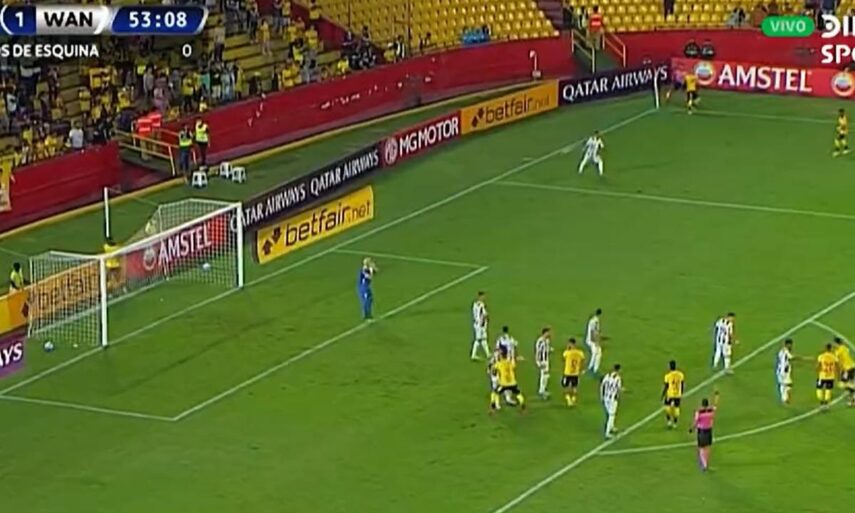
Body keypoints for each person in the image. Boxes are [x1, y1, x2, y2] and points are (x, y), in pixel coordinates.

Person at [689, 392, 719, 471]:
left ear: (702, 404)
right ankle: (706, 464)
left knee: (701, 448)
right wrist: (716, 396)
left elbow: (696, 421)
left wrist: (692, 428)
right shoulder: (710, 410)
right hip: (709, 429)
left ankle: (704, 464)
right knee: (707, 447)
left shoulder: (699, 412)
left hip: (701, 431)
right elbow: (715, 405)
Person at [490, 346, 526, 412]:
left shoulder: (499, 364)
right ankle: (523, 405)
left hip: (504, 384)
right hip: (513, 383)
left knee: (496, 392)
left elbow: (493, 369)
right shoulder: (510, 363)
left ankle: (493, 405)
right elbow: (514, 364)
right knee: (518, 393)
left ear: (501, 356)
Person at [561, 338, 585, 406]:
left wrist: (568, 349)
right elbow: (583, 361)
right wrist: (581, 369)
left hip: (568, 373)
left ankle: (569, 400)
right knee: (574, 387)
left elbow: (563, 358)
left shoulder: (567, 353)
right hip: (576, 373)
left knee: (566, 387)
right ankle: (573, 400)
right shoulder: (580, 353)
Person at [600, 364, 622, 439]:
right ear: (618, 370)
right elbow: (618, 389)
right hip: (613, 399)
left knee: (610, 414)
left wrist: (602, 396)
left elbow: (602, 386)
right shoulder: (618, 378)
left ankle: (611, 427)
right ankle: (607, 432)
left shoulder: (607, 376)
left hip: (606, 398)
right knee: (611, 415)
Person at [662, 360, 685, 428]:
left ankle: (669, 421)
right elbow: (682, 384)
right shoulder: (680, 374)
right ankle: (675, 423)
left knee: (667, 407)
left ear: (669, 366)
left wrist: (663, 394)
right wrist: (681, 392)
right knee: (676, 408)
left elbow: (666, 386)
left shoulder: (667, 376)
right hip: (678, 394)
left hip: (670, 394)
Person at [833, 337, 855, 406]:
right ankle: (852, 399)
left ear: (836, 343)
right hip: (852, 366)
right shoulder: (844, 348)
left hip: (847, 369)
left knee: (843, 384)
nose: (833, 345)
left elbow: (837, 362)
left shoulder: (838, 352)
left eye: (834, 343)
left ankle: (853, 400)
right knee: (848, 383)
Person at [816, 343, 838, 409]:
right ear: (831, 348)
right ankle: (826, 403)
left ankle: (821, 402)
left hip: (822, 376)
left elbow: (818, 366)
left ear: (825, 348)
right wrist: (837, 373)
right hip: (831, 376)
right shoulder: (834, 357)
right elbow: (837, 365)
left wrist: (817, 371)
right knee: (828, 389)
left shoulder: (821, 356)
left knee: (819, 388)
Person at [534, 327, 553, 399]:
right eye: (548, 332)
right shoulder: (540, 341)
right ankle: (541, 391)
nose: (550, 334)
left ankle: (543, 389)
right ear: (544, 333)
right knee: (544, 375)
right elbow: (537, 352)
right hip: (542, 361)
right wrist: (538, 362)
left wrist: (550, 350)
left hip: (546, 360)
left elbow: (546, 349)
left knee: (546, 376)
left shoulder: (547, 341)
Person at [470, 291, 489, 360]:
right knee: (478, 340)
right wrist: (485, 319)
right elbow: (484, 314)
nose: (484, 297)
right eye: (483, 296)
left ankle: (488, 354)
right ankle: (473, 355)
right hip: (480, 324)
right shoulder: (481, 305)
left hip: (476, 323)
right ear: (480, 296)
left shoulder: (475, 304)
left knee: (484, 339)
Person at [585, 308, 604, 374]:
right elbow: (594, 331)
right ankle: (591, 368)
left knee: (597, 353)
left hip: (590, 339)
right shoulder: (595, 321)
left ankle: (593, 368)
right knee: (596, 353)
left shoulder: (592, 319)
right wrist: (596, 341)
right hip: (592, 340)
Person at [776, 338, 795, 404]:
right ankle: (785, 399)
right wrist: (804, 358)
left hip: (779, 371)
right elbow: (792, 357)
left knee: (783, 384)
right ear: (787, 344)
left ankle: (784, 398)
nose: (791, 346)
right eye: (790, 345)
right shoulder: (786, 351)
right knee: (789, 384)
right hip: (784, 371)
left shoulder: (781, 351)